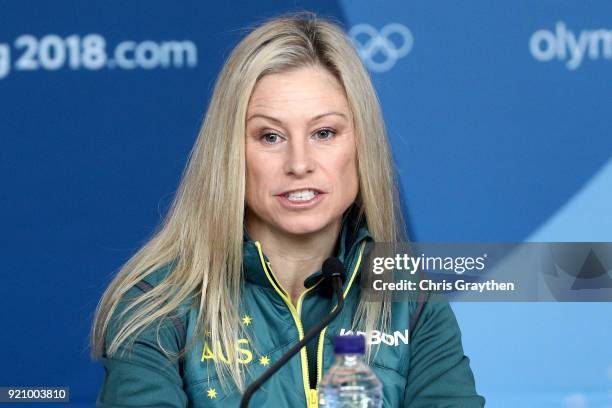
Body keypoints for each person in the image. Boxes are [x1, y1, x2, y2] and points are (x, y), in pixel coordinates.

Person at [91, 11, 485, 407]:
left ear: (362, 146)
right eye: (270, 136)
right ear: (231, 155)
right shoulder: (158, 305)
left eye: (324, 133)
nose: (299, 163)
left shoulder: (411, 305)